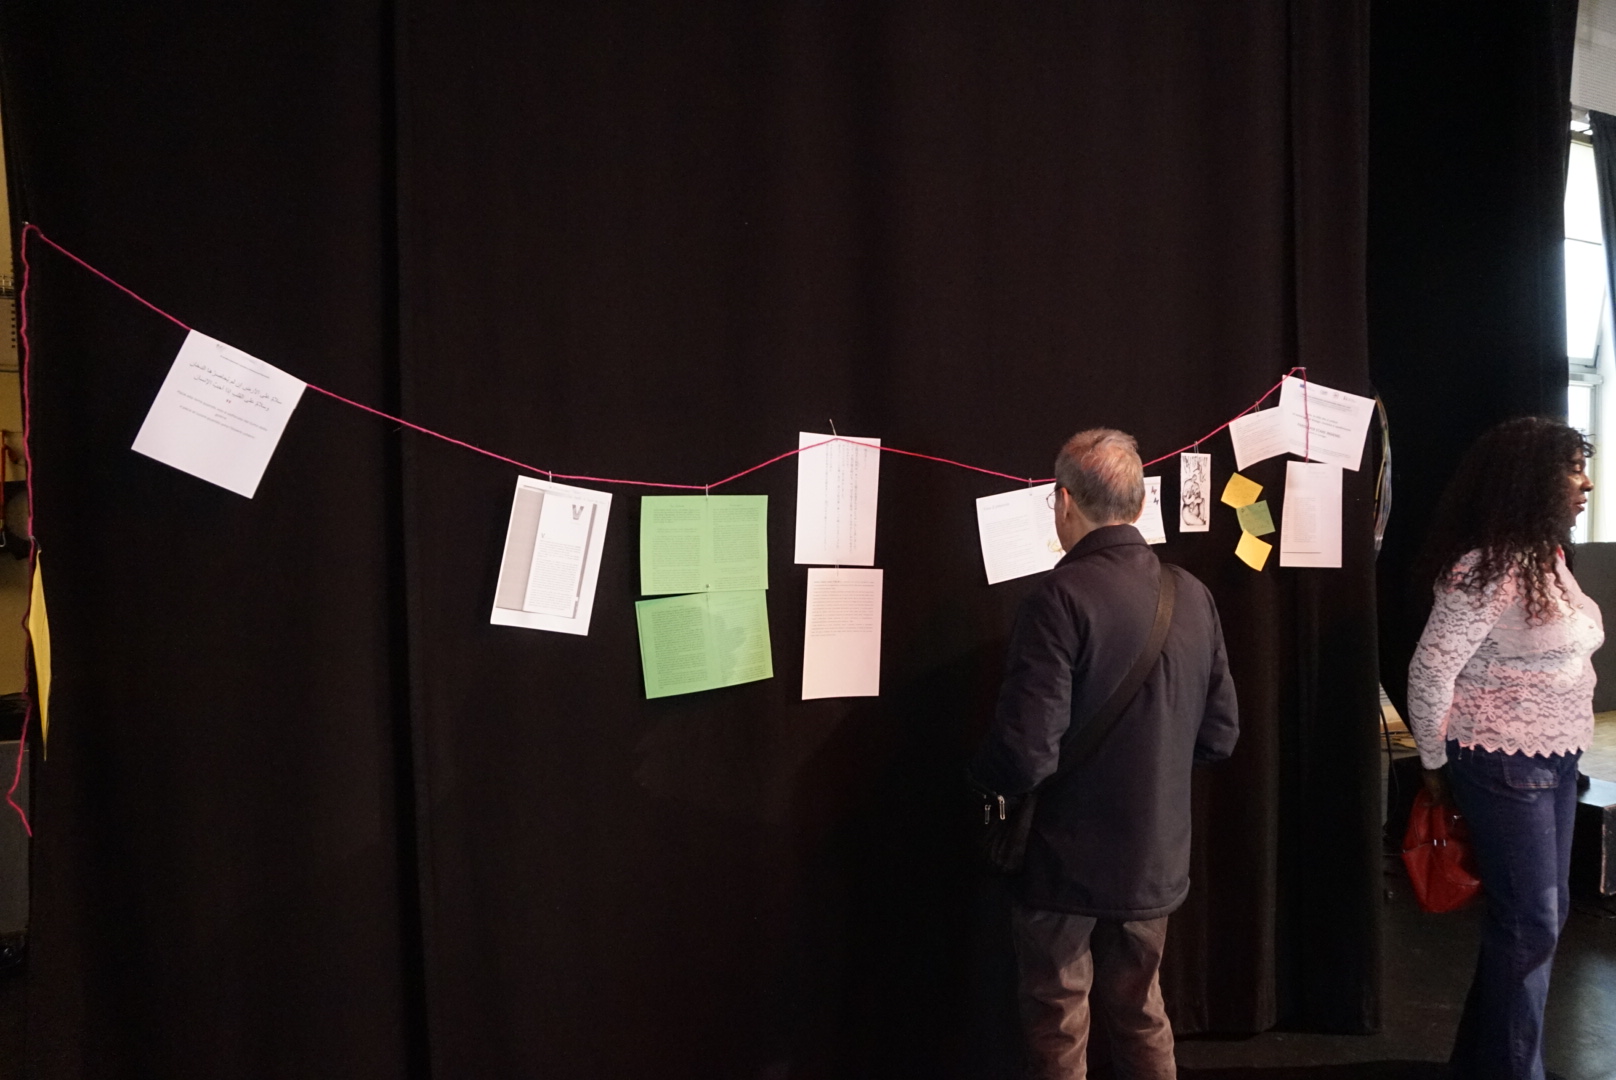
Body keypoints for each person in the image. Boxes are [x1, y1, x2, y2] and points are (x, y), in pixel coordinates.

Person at [969, 428, 1239, 1080]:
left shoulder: (1057, 599)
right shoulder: (1192, 594)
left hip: (1063, 863)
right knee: (1142, 1012)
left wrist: (979, 777)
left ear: (1064, 501)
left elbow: (1026, 756)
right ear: (1140, 504)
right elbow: (1220, 735)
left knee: (1058, 1019)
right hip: (1154, 861)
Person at [1407, 416, 1601, 1080]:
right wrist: (1433, 765)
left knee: (1537, 920)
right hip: (1501, 759)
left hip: (1556, 757)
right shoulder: (1486, 570)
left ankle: (1482, 1065)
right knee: (1532, 923)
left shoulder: (1548, 561)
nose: (1586, 484)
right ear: (1532, 481)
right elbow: (1430, 671)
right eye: (1573, 469)